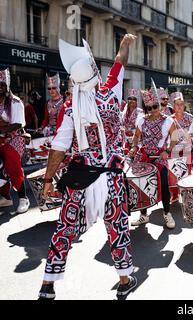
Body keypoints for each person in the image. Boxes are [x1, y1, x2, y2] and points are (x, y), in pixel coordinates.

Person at [38, 34, 138, 300]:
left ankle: (48, 283)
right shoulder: (112, 91)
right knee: (116, 227)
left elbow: (58, 148)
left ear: (74, 81)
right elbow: (120, 62)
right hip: (113, 177)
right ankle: (124, 280)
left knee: (65, 228)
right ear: (95, 72)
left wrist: (48, 181)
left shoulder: (72, 109)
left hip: (81, 178)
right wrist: (124, 44)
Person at [129, 87, 178, 229]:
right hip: (144, 156)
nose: (153, 110)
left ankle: (167, 214)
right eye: (149, 108)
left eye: (155, 106)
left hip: (160, 157)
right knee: (142, 186)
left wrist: (168, 150)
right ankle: (143, 215)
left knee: (163, 185)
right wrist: (133, 147)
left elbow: (174, 138)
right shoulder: (141, 120)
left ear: (159, 105)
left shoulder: (168, 121)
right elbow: (136, 136)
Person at [0, 67, 29, 214]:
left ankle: (23, 198)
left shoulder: (16, 102)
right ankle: (4, 197)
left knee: (12, 165)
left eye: (2, 85)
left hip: (14, 139)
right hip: (0, 140)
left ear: (7, 85)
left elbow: (18, 124)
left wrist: (2, 131)